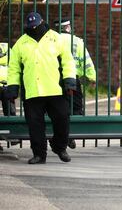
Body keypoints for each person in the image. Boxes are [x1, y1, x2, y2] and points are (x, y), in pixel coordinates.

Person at [6, 12, 77, 164]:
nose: (34, 29)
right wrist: (13, 89)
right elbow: (13, 68)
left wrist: (69, 82)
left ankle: (59, 147)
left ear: (42, 22)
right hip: (33, 91)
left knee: (62, 119)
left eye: (36, 26)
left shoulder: (55, 38)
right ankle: (39, 154)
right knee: (35, 125)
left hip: (55, 89)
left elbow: (68, 61)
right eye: (31, 27)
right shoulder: (21, 43)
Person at [56, 20, 97, 149]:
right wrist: (92, 77)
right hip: (73, 80)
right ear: (68, 27)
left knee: (57, 109)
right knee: (76, 108)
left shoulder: (51, 40)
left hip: (54, 79)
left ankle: (61, 135)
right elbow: (86, 60)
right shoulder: (76, 41)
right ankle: (70, 135)